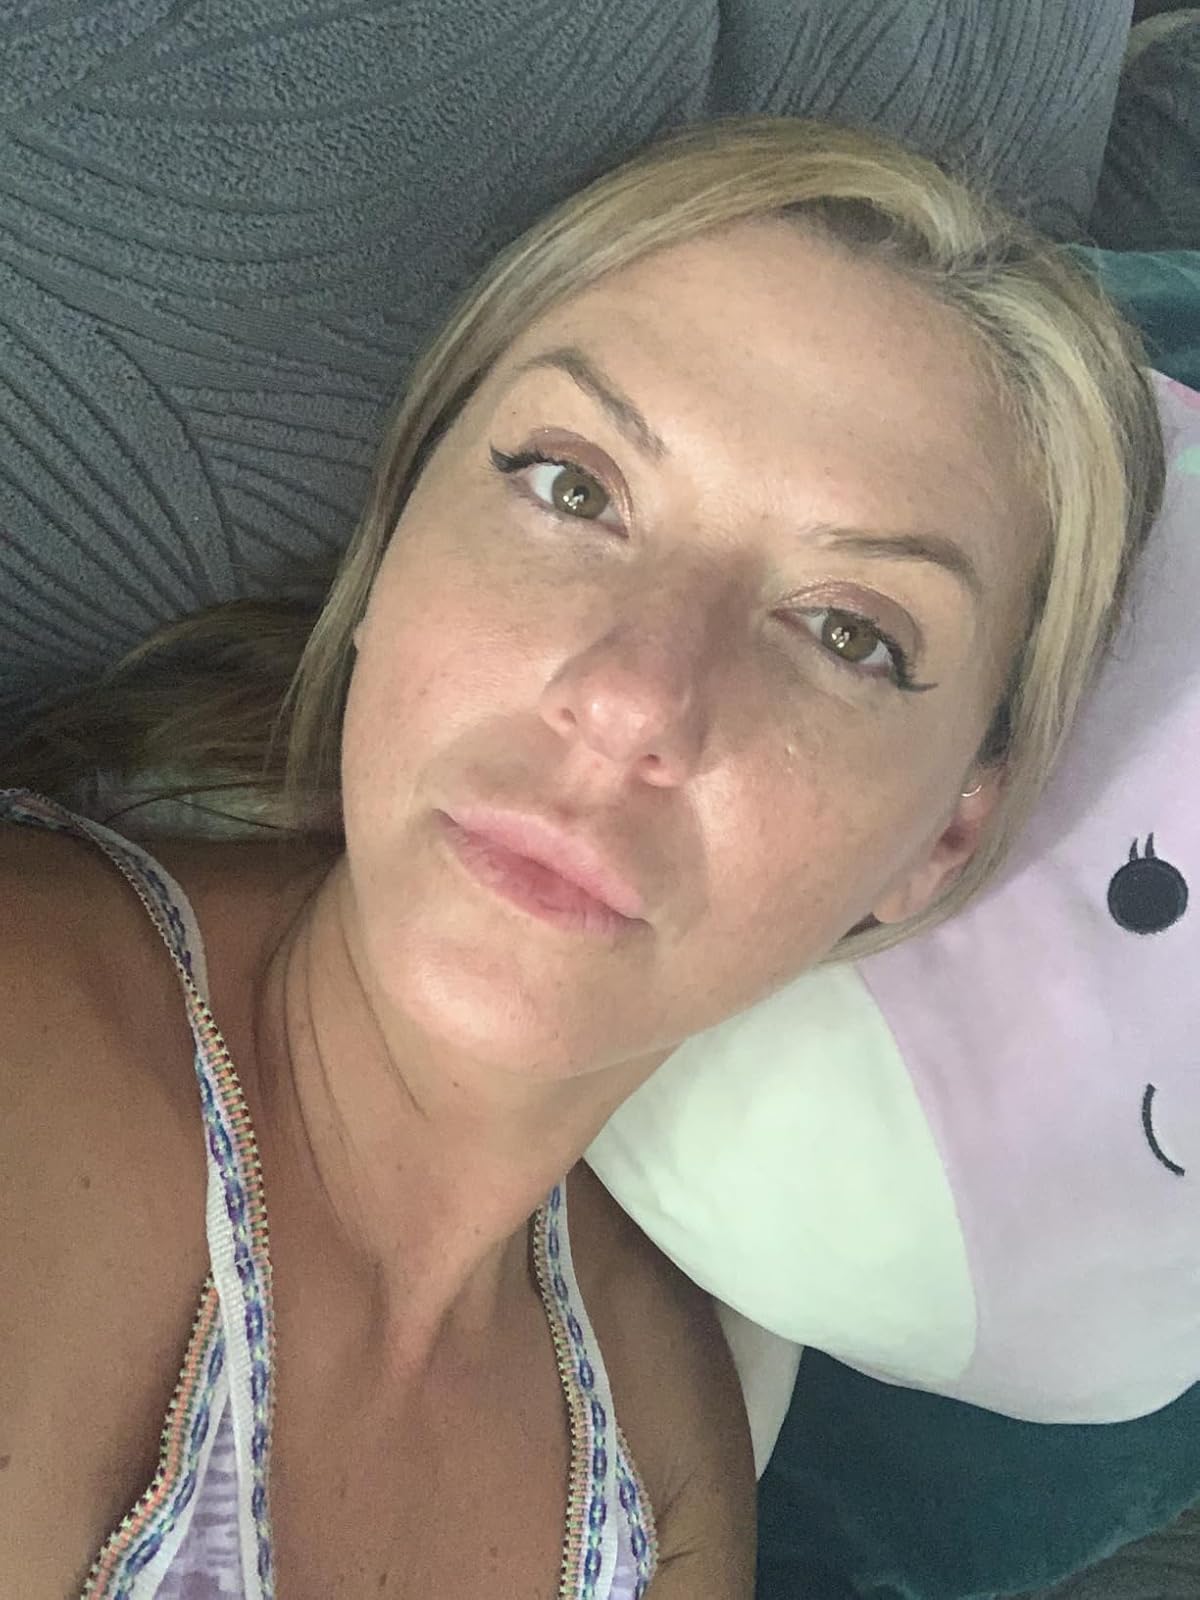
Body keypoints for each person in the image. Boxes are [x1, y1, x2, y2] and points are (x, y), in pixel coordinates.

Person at [0, 116, 1164, 1599]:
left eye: (846, 633)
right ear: (392, 538)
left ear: (938, 840)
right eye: (572, 488)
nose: (632, 701)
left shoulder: (669, 1455)